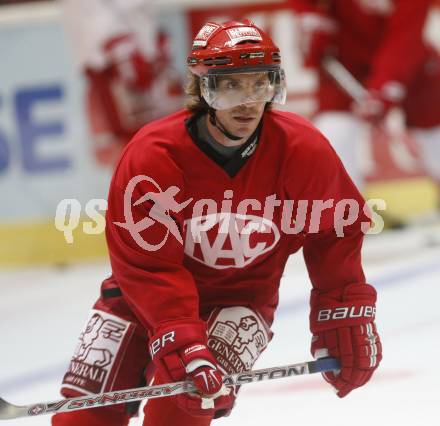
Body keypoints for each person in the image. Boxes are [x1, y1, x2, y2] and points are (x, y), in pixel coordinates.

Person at [52, 19, 382, 426]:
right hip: (146, 301)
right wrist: (180, 336)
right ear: (202, 89)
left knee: (183, 412)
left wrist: (343, 310)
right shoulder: (153, 156)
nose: (248, 102)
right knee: (86, 416)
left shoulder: (302, 149)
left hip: (239, 305)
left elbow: (335, 231)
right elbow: (148, 266)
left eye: (260, 84)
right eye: (231, 86)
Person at [294, 0, 440, 189]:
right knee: (333, 137)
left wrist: (383, 90)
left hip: (412, 70)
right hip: (346, 63)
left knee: (434, 133)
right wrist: (309, 16)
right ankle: (345, 211)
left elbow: (405, 39)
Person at [62, 0, 183, 166]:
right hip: (131, 50)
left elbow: (95, 96)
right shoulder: (179, 137)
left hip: (110, 54)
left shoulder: (121, 154)